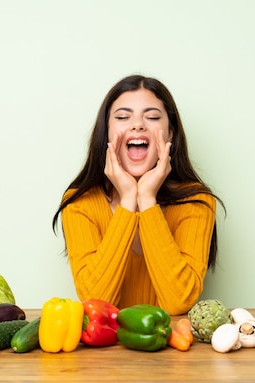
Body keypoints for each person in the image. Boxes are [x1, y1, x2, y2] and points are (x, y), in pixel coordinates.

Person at [52, 74, 224, 315]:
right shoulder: (80, 203)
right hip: (103, 351)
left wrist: (146, 199)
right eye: (123, 117)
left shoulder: (197, 202)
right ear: (107, 134)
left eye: (152, 117)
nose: (138, 125)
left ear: (170, 134)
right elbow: (96, 302)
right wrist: (128, 201)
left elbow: (179, 302)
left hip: (171, 347)